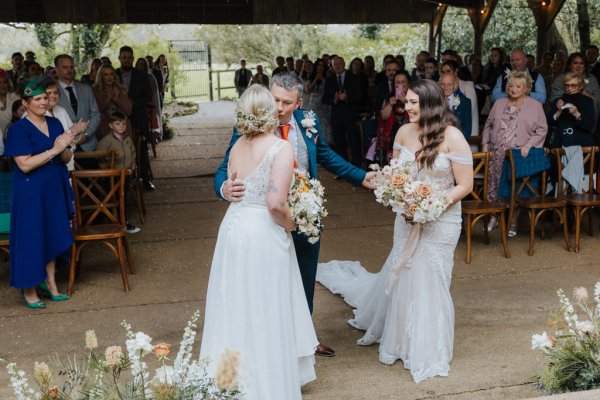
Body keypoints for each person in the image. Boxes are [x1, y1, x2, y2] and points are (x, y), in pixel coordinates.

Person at [317, 79, 473, 383]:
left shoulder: (453, 136)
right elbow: (395, 175)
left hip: (442, 219)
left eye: (415, 102)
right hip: (406, 215)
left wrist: (434, 204)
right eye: (407, 102)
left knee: (431, 277)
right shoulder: (403, 132)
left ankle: (428, 346)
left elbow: (465, 185)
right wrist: (399, 199)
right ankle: (402, 340)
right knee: (406, 274)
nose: (408, 107)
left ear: (431, 104)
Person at [215, 72, 376, 358]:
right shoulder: (248, 128)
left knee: (303, 276)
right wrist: (224, 188)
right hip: (266, 219)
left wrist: (362, 177)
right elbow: (224, 167)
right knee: (268, 281)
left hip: (303, 212)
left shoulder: (307, 123)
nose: (278, 107)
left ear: (298, 103)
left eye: (286, 102)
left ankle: (305, 339)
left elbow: (327, 157)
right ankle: (268, 343)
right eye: (274, 99)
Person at [202, 84, 317, 399]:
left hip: (234, 229)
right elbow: (276, 204)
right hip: (263, 233)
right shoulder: (280, 148)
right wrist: (294, 224)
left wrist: (227, 189)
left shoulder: (239, 144)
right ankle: (265, 381)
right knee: (266, 304)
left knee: (236, 302)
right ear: (268, 111)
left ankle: (230, 378)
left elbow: (234, 179)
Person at [4, 79, 87, 308]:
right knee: (31, 237)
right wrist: (55, 149)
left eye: (45, 98)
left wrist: (66, 145)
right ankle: (29, 289)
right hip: (31, 191)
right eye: (37, 99)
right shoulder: (17, 130)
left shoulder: (55, 123)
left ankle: (51, 284)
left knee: (51, 233)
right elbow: (25, 165)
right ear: (25, 103)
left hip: (54, 188)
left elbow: (66, 157)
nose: (43, 103)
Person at [482, 71, 548, 235]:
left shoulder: (535, 105)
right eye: (511, 85)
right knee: (494, 187)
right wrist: (485, 145)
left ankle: (513, 221)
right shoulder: (498, 103)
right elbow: (488, 125)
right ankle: (493, 218)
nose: (514, 89)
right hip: (496, 153)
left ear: (526, 88)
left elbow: (542, 129)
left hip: (518, 155)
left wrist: (528, 146)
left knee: (515, 189)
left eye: (518, 86)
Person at [97, 111, 140, 234]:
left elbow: (132, 153)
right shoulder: (106, 141)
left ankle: (123, 222)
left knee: (123, 198)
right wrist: (107, 170)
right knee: (117, 200)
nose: (121, 126)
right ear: (111, 126)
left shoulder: (127, 139)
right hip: (113, 176)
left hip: (126, 174)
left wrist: (132, 166)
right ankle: (118, 223)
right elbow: (99, 156)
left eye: (123, 123)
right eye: (117, 123)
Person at [322, 56, 363, 166]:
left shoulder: (354, 77)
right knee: (339, 145)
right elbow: (324, 99)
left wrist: (347, 97)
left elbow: (360, 97)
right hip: (336, 118)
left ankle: (357, 169)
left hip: (351, 117)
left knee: (354, 144)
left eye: (340, 63)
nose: (338, 66)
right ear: (332, 66)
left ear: (344, 64)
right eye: (335, 64)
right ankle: (343, 170)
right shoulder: (329, 80)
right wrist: (335, 99)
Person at [549, 72, 596, 148]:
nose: (569, 88)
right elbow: (550, 122)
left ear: (580, 86)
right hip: (561, 141)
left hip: (581, 142)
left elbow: (589, 125)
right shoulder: (558, 101)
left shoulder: (587, 101)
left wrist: (577, 114)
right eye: (567, 85)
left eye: (573, 85)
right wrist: (559, 111)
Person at [377, 70, 410, 163]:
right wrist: (390, 105)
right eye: (397, 83)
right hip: (392, 137)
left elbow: (419, 115)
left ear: (408, 83)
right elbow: (383, 116)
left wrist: (406, 102)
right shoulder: (389, 97)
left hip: (410, 137)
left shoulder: (414, 97)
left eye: (403, 82)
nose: (401, 85)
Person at [93, 64, 133, 140]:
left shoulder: (121, 89)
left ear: (114, 76)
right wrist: (108, 98)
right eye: (105, 74)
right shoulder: (95, 91)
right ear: (101, 77)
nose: (109, 77)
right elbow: (97, 111)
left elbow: (129, 111)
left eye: (111, 74)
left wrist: (117, 100)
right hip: (104, 126)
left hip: (122, 125)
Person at [439, 72, 472, 138]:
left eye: (449, 84)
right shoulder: (433, 101)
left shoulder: (465, 102)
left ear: (455, 85)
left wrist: (452, 138)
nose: (446, 87)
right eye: (443, 84)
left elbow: (467, 130)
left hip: (457, 140)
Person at [0, 70, 21, 135]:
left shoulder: (16, 97)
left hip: (16, 135)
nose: (2, 85)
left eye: (5, 82)